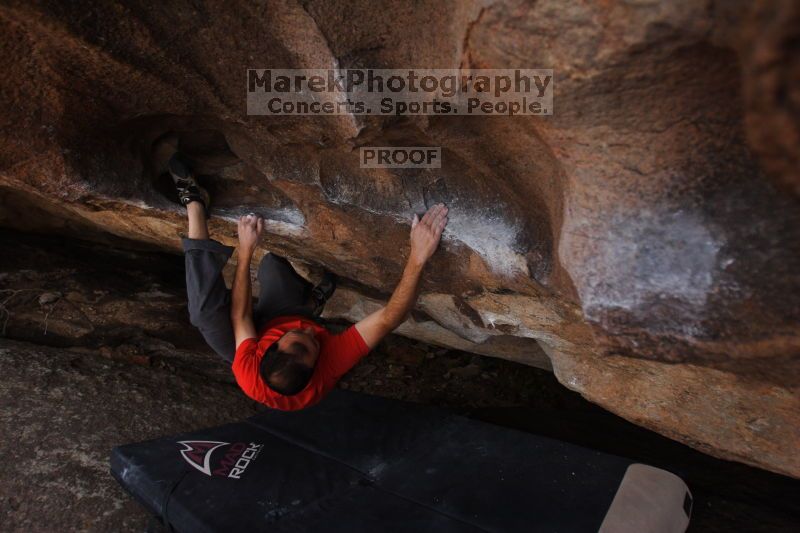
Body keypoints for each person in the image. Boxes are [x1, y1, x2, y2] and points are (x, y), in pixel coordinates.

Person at [170, 153, 449, 411]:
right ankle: (311, 305)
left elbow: (240, 315)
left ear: (269, 346)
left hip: (261, 328)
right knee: (277, 275)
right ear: (317, 365)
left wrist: (246, 250)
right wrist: (418, 256)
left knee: (225, 298)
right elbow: (390, 318)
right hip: (283, 318)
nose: (309, 334)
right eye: (314, 344)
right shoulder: (329, 366)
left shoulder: (247, 369)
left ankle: (195, 205)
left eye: (299, 336)